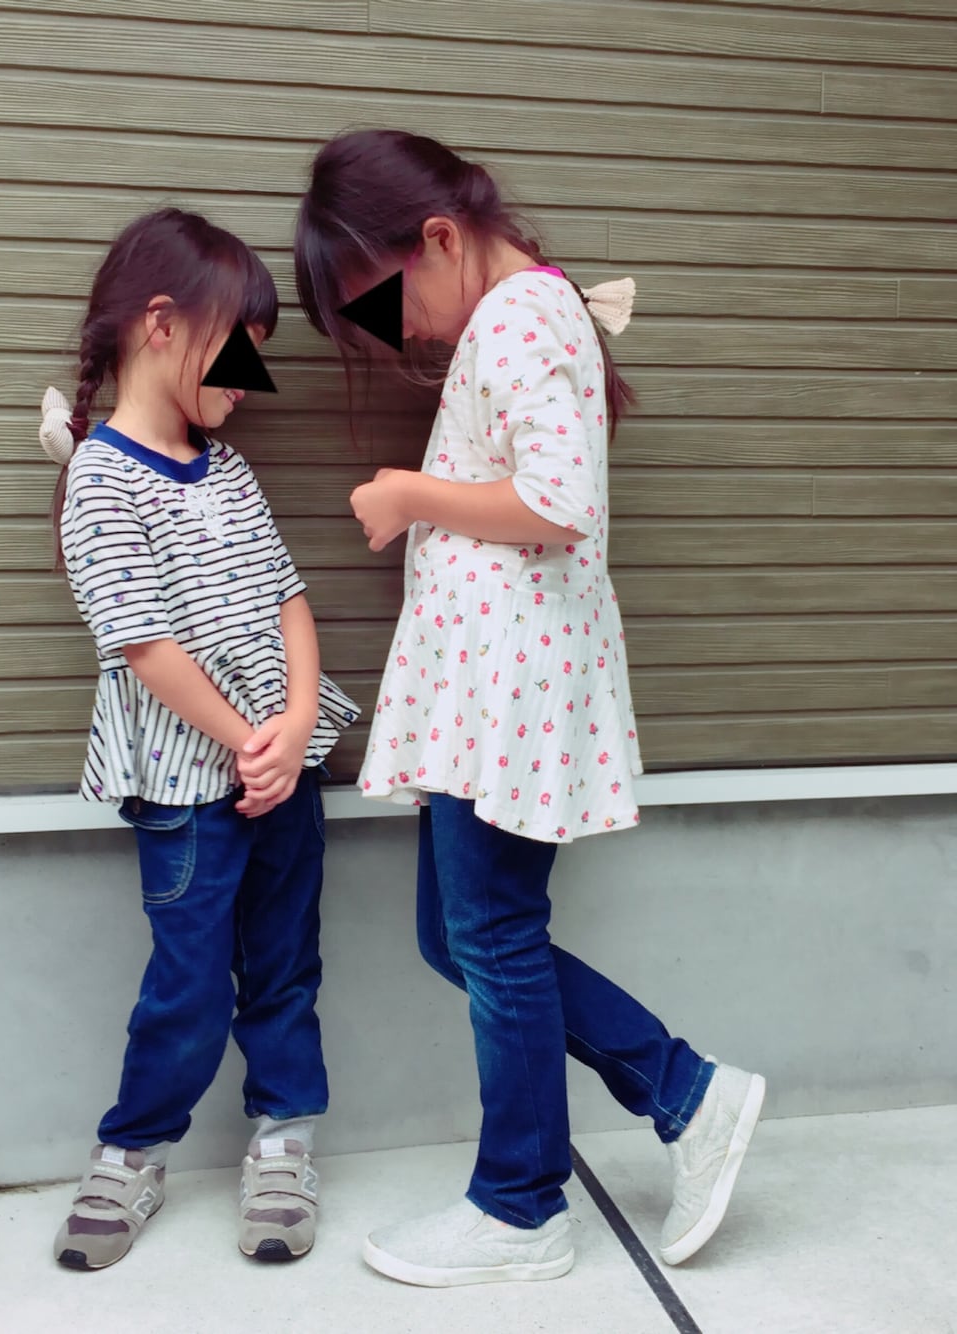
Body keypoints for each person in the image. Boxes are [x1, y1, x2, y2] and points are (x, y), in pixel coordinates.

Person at [294, 129, 765, 1288]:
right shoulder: (527, 312)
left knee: (489, 934)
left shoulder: (516, 315)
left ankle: (521, 1203)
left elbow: (557, 500)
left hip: (507, 684)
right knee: (461, 934)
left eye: (385, 302)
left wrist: (409, 492)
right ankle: (684, 1092)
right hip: (491, 685)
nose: (398, 334)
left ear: (438, 239)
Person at [38, 207, 357, 1270]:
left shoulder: (227, 471)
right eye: (239, 356)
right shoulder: (100, 477)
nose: (247, 388)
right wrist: (248, 741)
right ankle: (133, 1150)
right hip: (189, 789)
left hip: (285, 774)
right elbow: (144, 643)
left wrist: (295, 725)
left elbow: (289, 600)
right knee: (188, 978)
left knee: (286, 964)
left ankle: (284, 1139)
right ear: (163, 323)